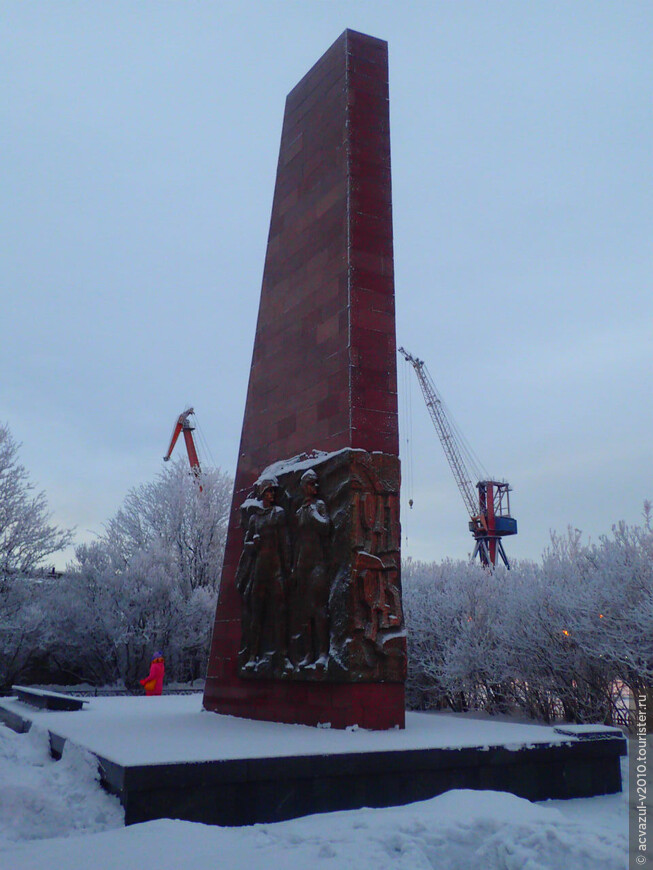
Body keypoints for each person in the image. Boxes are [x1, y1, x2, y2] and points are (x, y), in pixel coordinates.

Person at [236, 475, 291, 669]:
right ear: (262, 494)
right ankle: (253, 655)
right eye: (269, 491)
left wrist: (287, 568)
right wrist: (254, 544)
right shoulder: (254, 518)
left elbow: (285, 542)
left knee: (280, 611)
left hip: (275, 566)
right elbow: (247, 545)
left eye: (274, 491)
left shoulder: (279, 513)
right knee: (256, 611)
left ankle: (283, 655)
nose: (272, 494)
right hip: (260, 567)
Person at [291, 469, 331, 667]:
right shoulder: (299, 511)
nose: (315, 487)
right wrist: (294, 567)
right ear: (304, 487)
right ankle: (309, 653)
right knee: (306, 612)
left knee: (319, 609)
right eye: (311, 484)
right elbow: (297, 542)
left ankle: (323, 653)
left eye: (316, 483)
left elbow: (326, 527)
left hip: (317, 563)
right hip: (303, 565)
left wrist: (314, 513)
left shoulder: (320, 506)